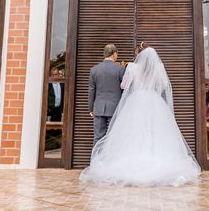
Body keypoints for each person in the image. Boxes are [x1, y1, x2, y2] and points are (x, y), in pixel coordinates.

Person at [80, 46, 201, 186]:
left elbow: (124, 86)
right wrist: (153, 87)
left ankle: (121, 160)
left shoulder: (132, 68)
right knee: (155, 132)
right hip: (154, 100)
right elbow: (164, 85)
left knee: (134, 132)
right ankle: (154, 159)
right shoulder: (159, 67)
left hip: (136, 101)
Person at [88, 44, 125, 145]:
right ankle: (112, 160)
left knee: (98, 137)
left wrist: (91, 108)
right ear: (114, 54)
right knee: (115, 136)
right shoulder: (120, 69)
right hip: (115, 108)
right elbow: (125, 88)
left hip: (98, 107)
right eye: (117, 53)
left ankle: (96, 160)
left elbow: (91, 90)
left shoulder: (94, 70)